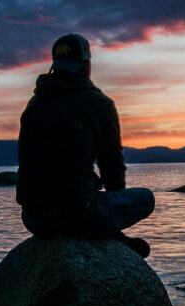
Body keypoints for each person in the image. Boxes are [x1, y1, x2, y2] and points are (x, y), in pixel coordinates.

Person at [16, 33, 154, 258]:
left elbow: (28, 160)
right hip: (79, 215)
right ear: (86, 64)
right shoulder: (98, 104)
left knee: (86, 195)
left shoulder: (34, 104)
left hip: (33, 218)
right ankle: (114, 239)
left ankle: (112, 236)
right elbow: (112, 168)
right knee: (146, 198)